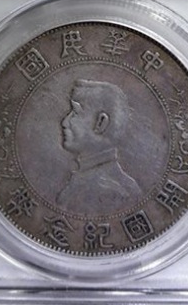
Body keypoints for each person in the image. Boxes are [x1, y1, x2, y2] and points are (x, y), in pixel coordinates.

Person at [57, 79, 142, 213]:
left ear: (100, 123)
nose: (65, 122)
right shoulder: (88, 180)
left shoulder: (110, 191)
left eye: (75, 113)